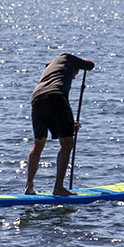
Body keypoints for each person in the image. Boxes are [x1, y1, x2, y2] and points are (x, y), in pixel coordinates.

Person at [25, 52, 95, 195]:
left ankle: (28, 187)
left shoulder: (50, 68)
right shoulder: (67, 58)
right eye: (75, 74)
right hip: (56, 97)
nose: (74, 77)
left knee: (38, 144)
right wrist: (86, 61)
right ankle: (58, 188)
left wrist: (69, 123)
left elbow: (57, 110)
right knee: (67, 143)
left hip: (37, 98)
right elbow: (90, 66)